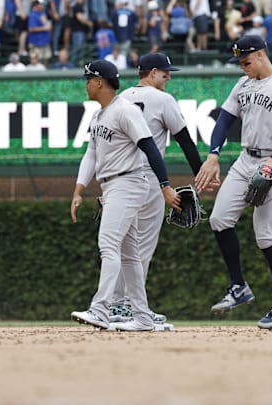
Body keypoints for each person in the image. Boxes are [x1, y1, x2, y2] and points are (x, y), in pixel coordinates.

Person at [195, 35, 272, 330]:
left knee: (265, 237)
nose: (242, 67)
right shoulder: (243, 84)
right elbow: (223, 120)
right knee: (219, 220)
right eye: (239, 62)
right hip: (246, 159)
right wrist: (213, 155)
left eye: (246, 61)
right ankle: (238, 286)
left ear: (260, 55)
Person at [92, 52, 206, 330]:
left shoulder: (118, 101)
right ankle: (127, 307)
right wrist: (200, 173)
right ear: (153, 73)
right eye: (166, 74)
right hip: (148, 180)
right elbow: (185, 141)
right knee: (140, 247)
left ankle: (121, 304)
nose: (168, 79)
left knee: (121, 243)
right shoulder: (163, 100)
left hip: (116, 178)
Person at [70, 59, 181, 331]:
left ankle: (100, 309)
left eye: (88, 80)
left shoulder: (125, 110)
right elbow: (92, 154)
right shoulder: (99, 115)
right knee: (130, 255)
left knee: (108, 244)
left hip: (128, 182)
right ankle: (142, 318)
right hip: (112, 185)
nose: (85, 85)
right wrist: (79, 189)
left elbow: (150, 148)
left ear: (99, 82)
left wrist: (165, 185)